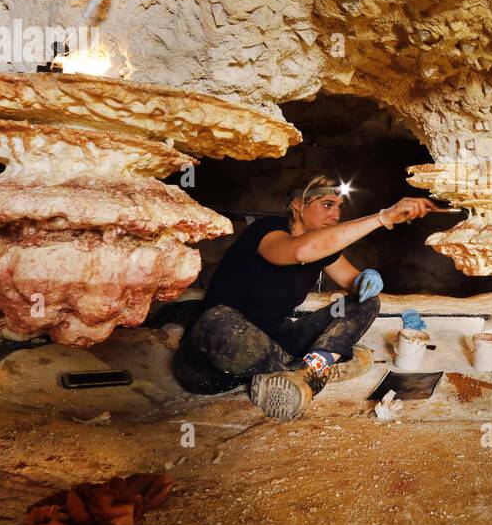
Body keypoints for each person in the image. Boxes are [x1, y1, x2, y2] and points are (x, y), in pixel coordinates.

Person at [173, 172, 436, 420]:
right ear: (298, 205)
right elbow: (300, 251)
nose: (335, 214)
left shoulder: (321, 248)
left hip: (274, 345)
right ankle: (315, 371)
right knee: (218, 319)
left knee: (366, 302)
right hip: (214, 361)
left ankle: (304, 373)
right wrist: (382, 218)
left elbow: (354, 283)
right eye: (327, 205)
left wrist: (366, 280)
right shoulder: (267, 232)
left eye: (340, 207)